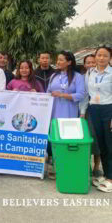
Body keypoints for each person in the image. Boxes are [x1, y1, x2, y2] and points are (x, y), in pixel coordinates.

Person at [47, 51, 85, 179]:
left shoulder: (78, 77)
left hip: (69, 114)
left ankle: (66, 168)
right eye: (57, 60)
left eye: (61, 60)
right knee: (55, 140)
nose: (58, 62)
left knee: (67, 140)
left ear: (69, 62)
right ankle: (56, 167)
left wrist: (63, 95)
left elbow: (81, 95)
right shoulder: (53, 76)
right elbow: (48, 93)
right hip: (54, 113)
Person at [80, 46, 112, 192]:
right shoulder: (90, 73)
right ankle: (106, 175)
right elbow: (86, 94)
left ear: (109, 58)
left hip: (108, 109)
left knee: (109, 143)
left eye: (105, 56)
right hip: (94, 109)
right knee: (101, 145)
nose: (101, 58)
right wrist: (82, 112)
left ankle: (110, 178)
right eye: (99, 55)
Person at [79, 54, 102, 177]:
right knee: (85, 138)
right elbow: (83, 96)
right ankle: (86, 165)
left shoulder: (103, 76)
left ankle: (97, 167)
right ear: (84, 65)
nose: (91, 65)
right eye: (88, 62)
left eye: (93, 62)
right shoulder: (82, 78)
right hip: (86, 111)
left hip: (100, 110)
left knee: (98, 138)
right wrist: (82, 112)